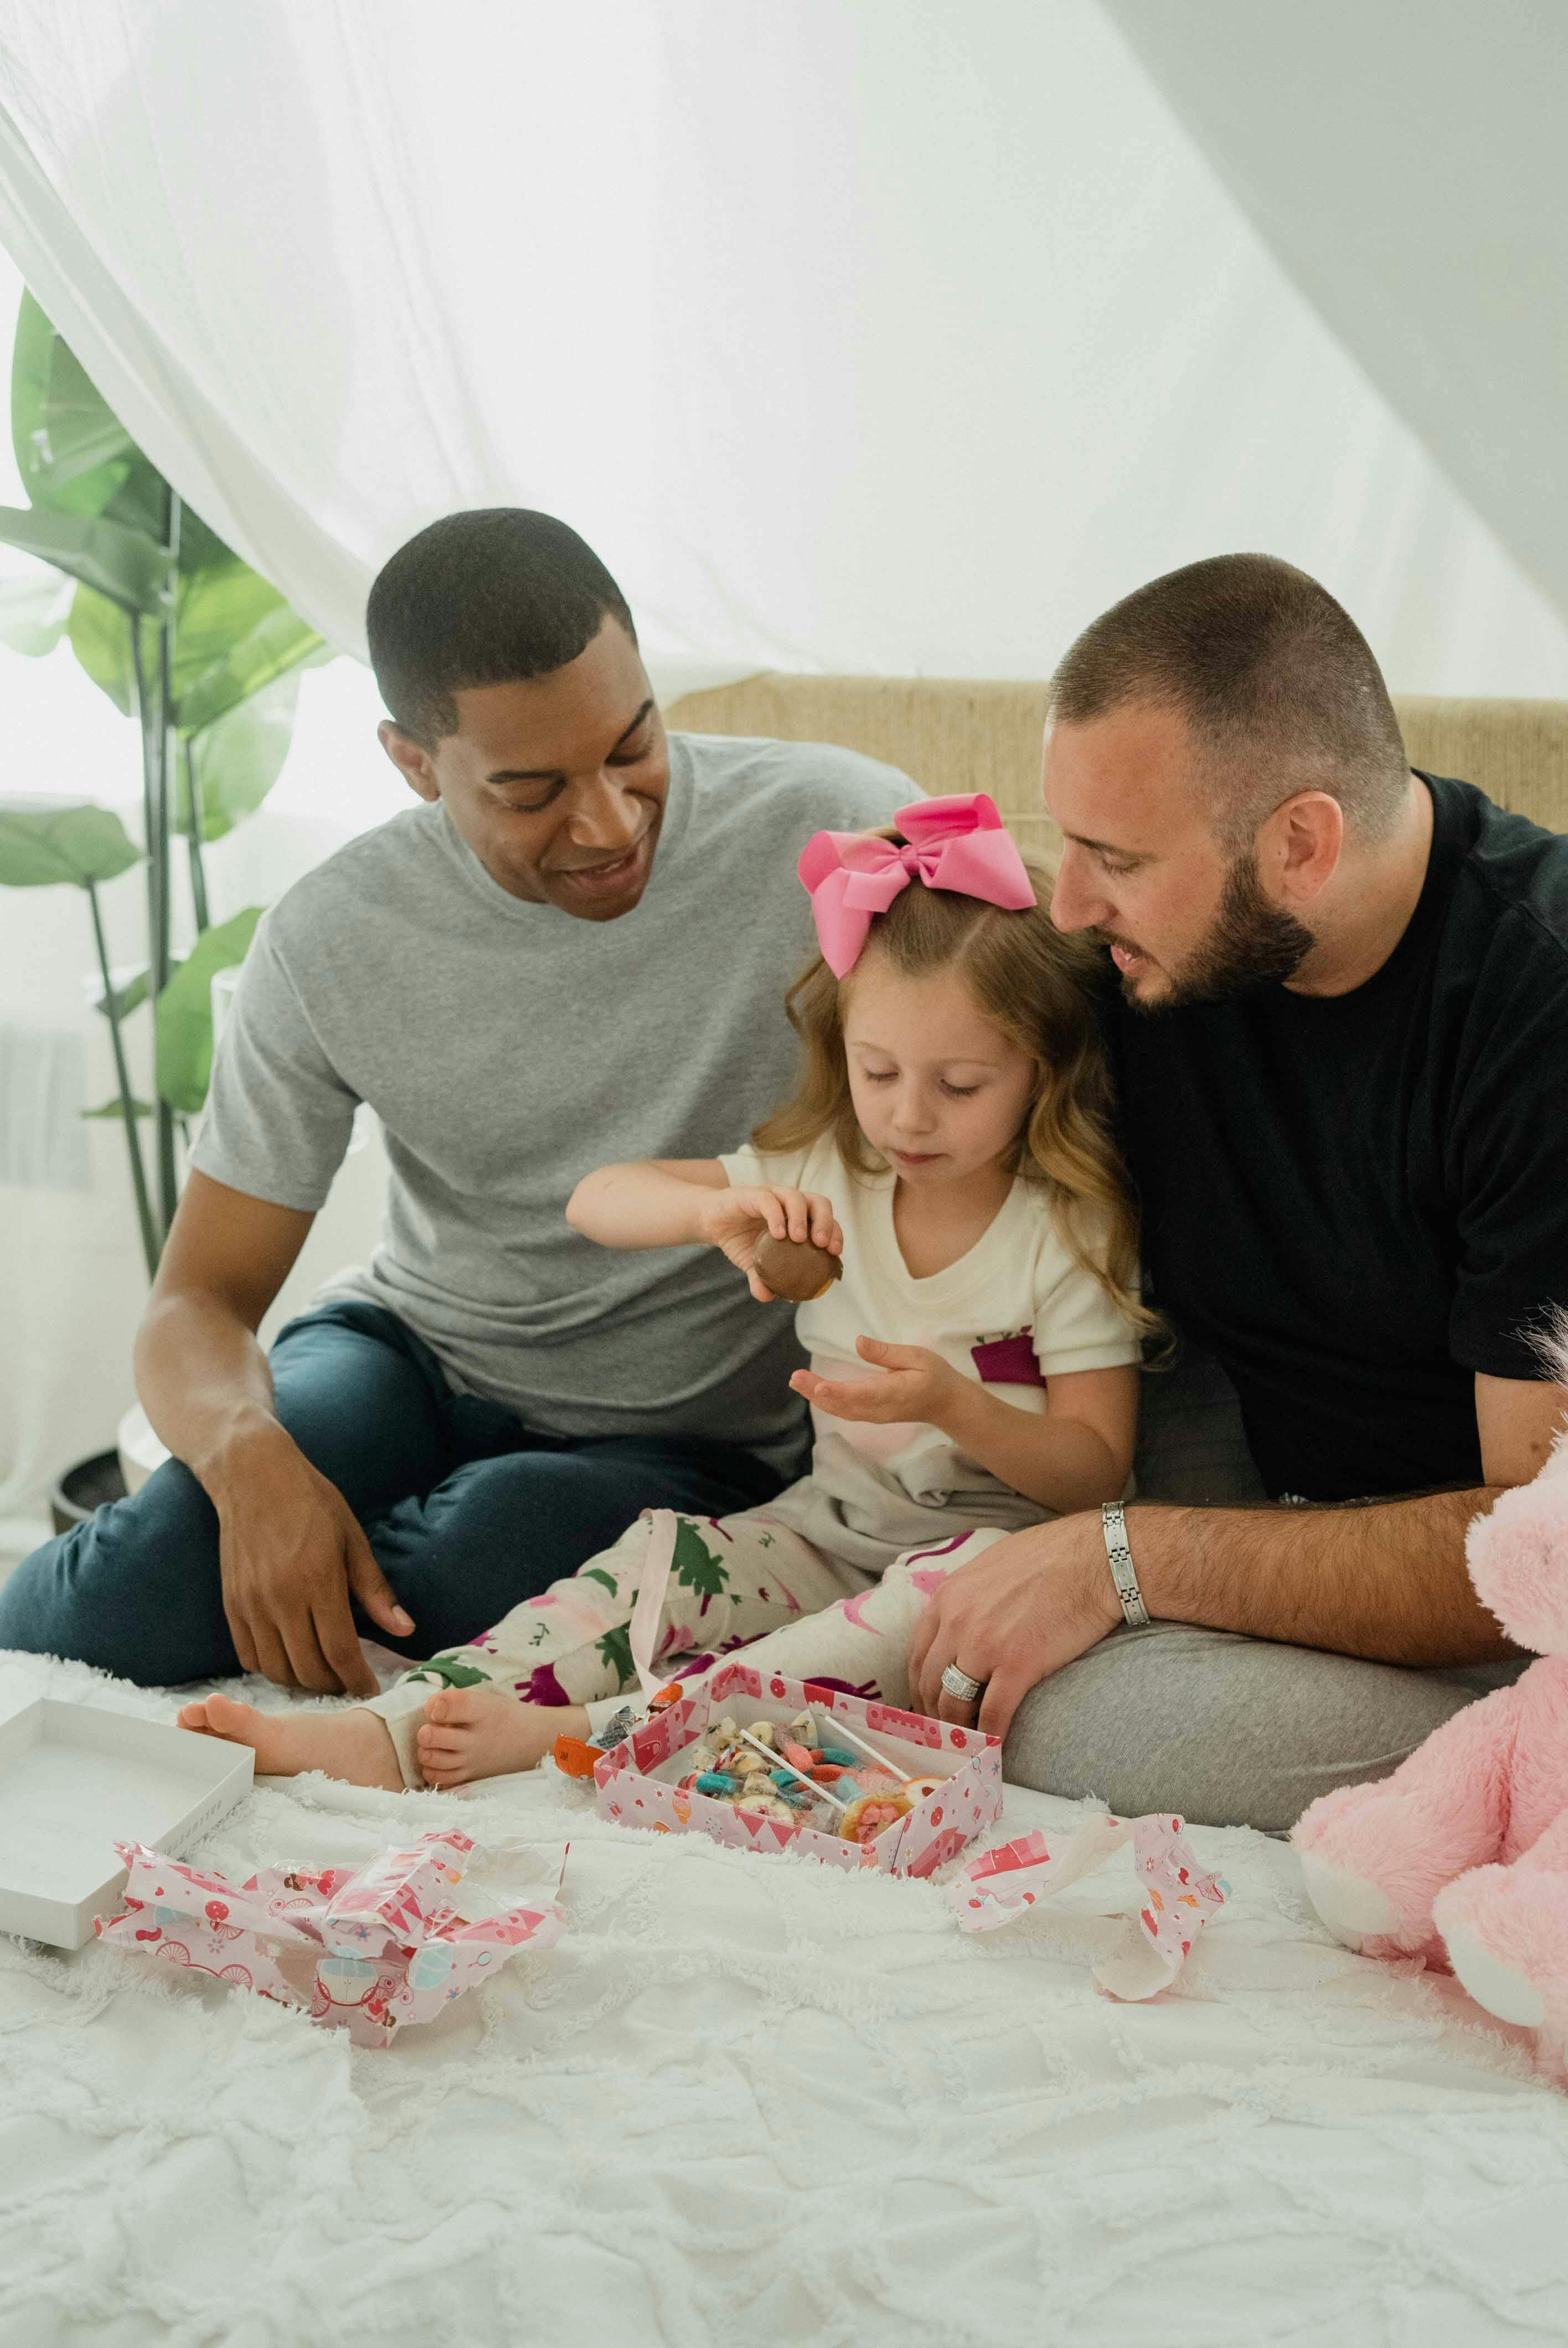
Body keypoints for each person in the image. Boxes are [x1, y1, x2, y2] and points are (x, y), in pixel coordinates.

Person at [0, 509, 911, 1697]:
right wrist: (246, 1458)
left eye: (634, 745)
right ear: (413, 762)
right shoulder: (331, 936)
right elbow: (199, 1298)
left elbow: (1018, 1082)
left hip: (694, 1433)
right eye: (533, 790)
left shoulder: (838, 834)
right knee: (140, 1580)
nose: (611, 820)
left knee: (477, 1553)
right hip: (411, 1353)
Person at [174, 792, 1148, 1787]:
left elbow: (1096, 1474)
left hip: (984, 1572)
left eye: (960, 1086)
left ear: (1042, 1071)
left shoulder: (1066, 1232)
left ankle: (594, 1736)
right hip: (822, 1534)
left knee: (849, 1641)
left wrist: (951, 1405)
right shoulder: (829, 1174)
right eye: (878, 1070)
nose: (908, 1116)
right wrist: (707, 1215)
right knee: (658, 1560)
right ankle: (396, 1729)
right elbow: (598, 1199)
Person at [905, 554, 1568, 1830]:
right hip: (1256, 1466)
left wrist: (1129, 1561)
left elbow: (1530, 1544)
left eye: (1115, 856)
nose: (1070, 900)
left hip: (1485, 1577)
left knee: (1064, 1717)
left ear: (1301, 841)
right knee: (963, 1627)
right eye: (1062, 842)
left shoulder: (1533, 1009)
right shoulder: (1143, 955)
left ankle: (1511, 1776)